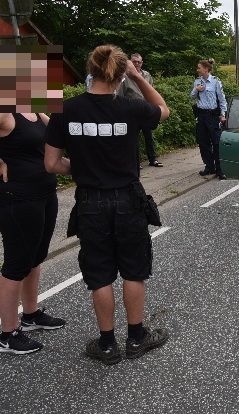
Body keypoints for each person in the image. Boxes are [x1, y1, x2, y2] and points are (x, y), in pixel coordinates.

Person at [44, 44, 170, 364]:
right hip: (128, 199)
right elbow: (163, 109)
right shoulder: (131, 108)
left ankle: (107, 345)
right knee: (133, 271)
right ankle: (137, 337)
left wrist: (83, 167)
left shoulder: (64, 110)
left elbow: (52, 164)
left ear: (91, 69)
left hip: (89, 202)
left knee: (99, 274)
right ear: (120, 71)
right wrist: (137, 77)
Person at [0, 113, 66, 354]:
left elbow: (62, 130)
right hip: (17, 199)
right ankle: (8, 334)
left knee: (36, 257)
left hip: (45, 194)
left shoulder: (36, 109)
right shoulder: (6, 113)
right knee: (16, 264)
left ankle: (30, 314)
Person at [122, 53, 162, 168]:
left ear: (142, 63)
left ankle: (153, 159)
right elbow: (122, 94)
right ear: (130, 62)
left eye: (139, 62)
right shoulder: (125, 76)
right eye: (134, 62)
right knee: (134, 138)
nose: (137, 64)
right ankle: (136, 162)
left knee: (149, 136)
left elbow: (151, 90)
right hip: (132, 110)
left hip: (146, 109)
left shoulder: (147, 75)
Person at [191, 59, 227, 180]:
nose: (197, 70)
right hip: (201, 115)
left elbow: (222, 99)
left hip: (212, 116)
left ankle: (220, 169)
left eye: (199, 67)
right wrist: (197, 89)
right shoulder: (197, 81)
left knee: (216, 142)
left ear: (206, 69)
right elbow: (192, 96)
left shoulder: (216, 81)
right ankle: (209, 166)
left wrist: (222, 114)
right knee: (203, 142)